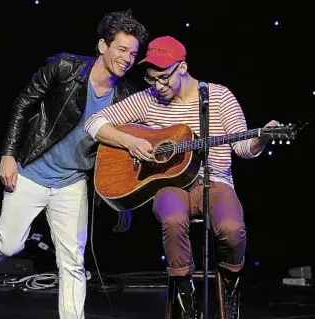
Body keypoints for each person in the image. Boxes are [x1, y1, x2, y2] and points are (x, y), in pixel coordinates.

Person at [0, 10, 148, 319]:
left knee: (73, 261)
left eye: (133, 53)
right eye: (122, 49)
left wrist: (122, 203)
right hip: (30, 172)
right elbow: (23, 104)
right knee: (8, 246)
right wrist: (8, 154)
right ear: (103, 46)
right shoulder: (65, 67)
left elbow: (121, 155)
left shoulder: (126, 96)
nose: (127, 59)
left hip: (72, 183)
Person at [84, 35, 279, 318]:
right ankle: (186, 299)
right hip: (170, 184)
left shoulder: (219, 96)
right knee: (173, 219)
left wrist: (261, 139)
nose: (158, 86)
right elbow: (93, 123)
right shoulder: (148, 99)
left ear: (183, 67)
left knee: (232, 230)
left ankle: (231, 285)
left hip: (216, 181)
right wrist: (131, 143)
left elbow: (243, 147)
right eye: (152, 79)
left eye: (163, 78)